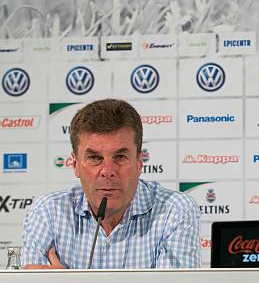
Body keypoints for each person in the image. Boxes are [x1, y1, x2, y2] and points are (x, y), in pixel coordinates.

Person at [21, 99, 202, 269]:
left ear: (139, 164)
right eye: (94, 158)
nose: (107, 170)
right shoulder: (47, 213)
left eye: (120, 157)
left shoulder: (174, 211)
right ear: (75, 165)